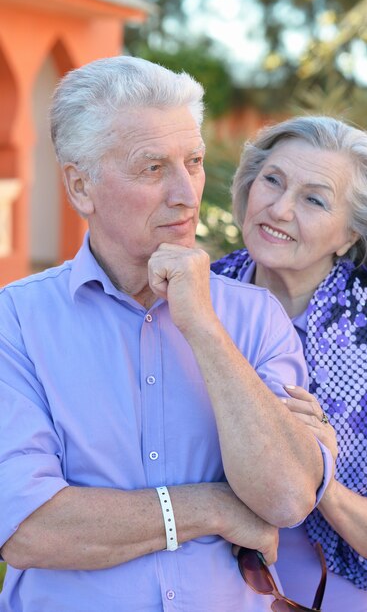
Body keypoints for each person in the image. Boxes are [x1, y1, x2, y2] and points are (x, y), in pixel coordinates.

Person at [0, 57, 330, 612]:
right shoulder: (17, 321)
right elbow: (28, 527)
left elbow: (288, 496)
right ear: (81, 186)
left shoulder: (253, 317)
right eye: (153, 168)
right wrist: (213, 507)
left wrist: (202, 324)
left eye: (194, 161)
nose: (186, 193)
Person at [212, 115, 367, 612]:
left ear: (349, 234)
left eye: (314, 199)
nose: (279, 209)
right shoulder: (197, 301)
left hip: (321, 600)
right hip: (200, 591)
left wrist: (314, 475)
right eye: (273, 181)